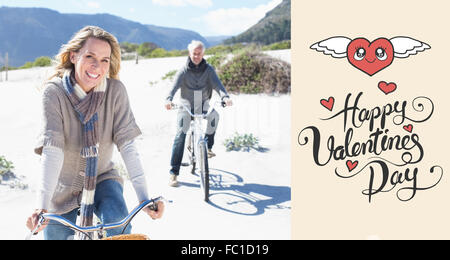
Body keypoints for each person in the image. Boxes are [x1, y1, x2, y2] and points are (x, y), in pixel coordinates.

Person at [26, 26, 163, 240]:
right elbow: (52, 151)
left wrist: (145, 199)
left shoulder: (115, 92)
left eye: (104, 60)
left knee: (120, 227)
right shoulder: (54, 93)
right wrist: (41, 208)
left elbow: (128, 146)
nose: (97, 66)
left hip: (102, 178)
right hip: (61, 187)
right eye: (90, 56)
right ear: (73, 56)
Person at [165, 40, 232, 187]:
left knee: (215, 116)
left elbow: (218, 86)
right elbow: (173, 87)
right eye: (194, 53)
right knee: (180, 134)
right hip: (186, 105)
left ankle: (207, 147)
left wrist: (225, 97)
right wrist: (169, 99)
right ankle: (173, 173)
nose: (196, 56)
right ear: (190, 53)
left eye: (199, 53)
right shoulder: (183, 70)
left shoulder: (209, 70)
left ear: (203, 54)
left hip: (203, 104)